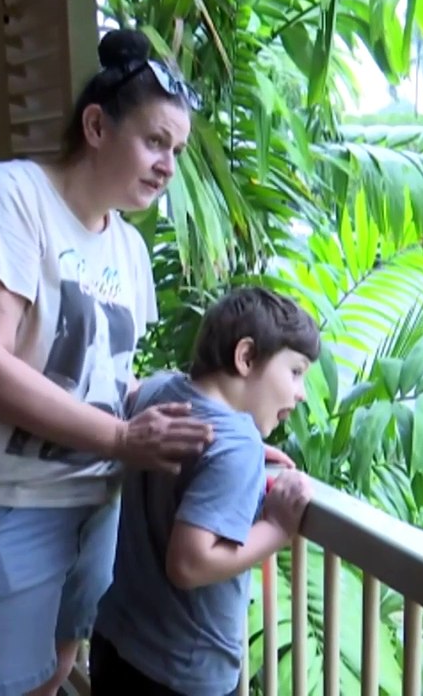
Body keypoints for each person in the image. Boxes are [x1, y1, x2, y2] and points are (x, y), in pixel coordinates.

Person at [0, 29, 290, 696]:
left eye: (177, 151)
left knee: (59, 668)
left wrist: (222, 438)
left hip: (91, 505)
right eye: (155, 141)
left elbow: (109, 382)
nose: (168, 165)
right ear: (97, 126)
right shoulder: (4, 199)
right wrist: (124, 440)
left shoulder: (126, 250)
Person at [88, 286, 319, 696]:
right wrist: (279, 527)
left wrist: (236, 448)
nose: (301, 392)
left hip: (115, 644)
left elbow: (188, 432)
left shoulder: (163, 392)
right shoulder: (236, 446)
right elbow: (190, 563)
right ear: (246, 357)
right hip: (182, 672)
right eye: (296, 372)